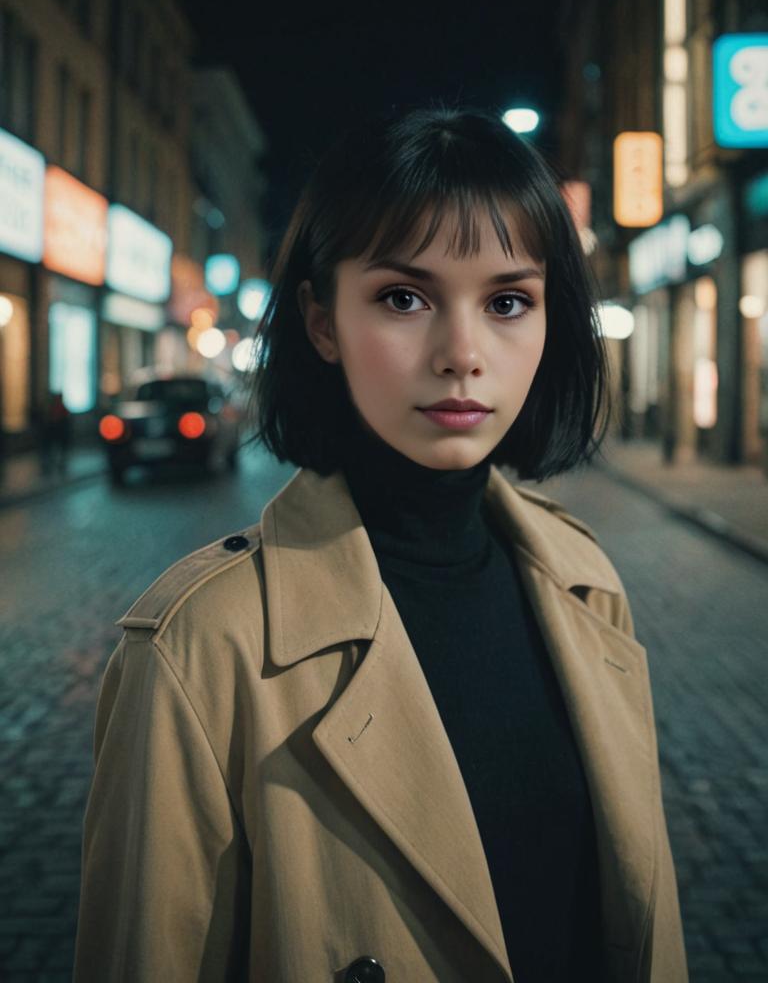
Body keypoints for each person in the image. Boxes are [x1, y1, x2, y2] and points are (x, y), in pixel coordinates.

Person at [73, 107, 687, 982]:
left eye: (509, 301)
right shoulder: (201, 646)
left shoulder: (585, 584)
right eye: (405, 298)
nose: (463, 353)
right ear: (322, 323)